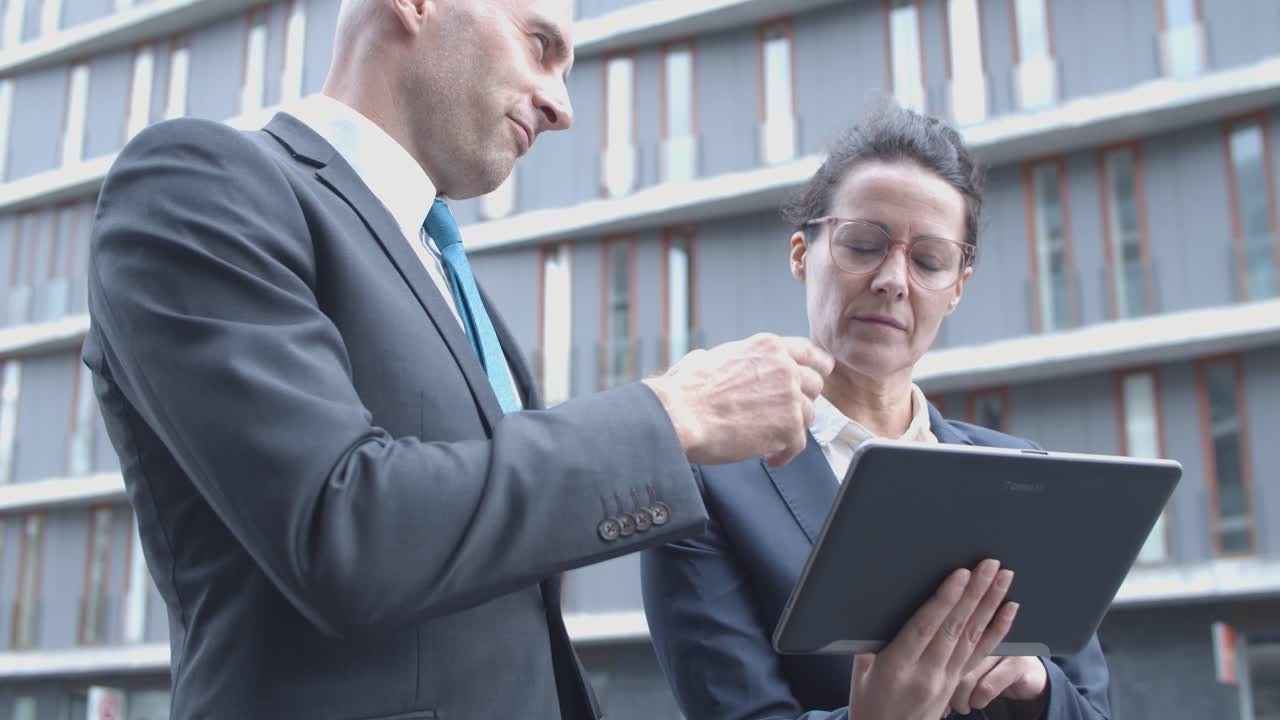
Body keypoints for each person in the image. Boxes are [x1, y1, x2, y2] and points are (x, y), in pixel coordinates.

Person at [80, 1, 841, 718]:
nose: (562, 107)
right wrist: (675, 414)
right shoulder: (199, 182)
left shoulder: (453, 281)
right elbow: (343, 528)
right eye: (539, 46)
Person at [641, 105, 1112, 720]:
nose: (893, 280)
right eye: (863, 245)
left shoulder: (1026, 476)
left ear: (959, 285)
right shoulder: (704, 486)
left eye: (929, 261)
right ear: (801, 254)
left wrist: (1039, 686)